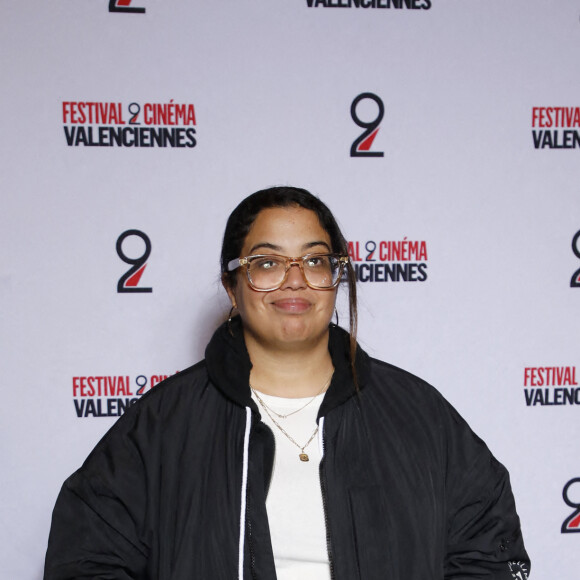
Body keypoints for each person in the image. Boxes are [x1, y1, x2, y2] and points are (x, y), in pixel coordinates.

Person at [44, 186, 531, 580]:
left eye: (315, 260)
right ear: (232, 285)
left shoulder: (417, 414)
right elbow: (86, 557)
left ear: (335, 279)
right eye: (268, 263)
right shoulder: (164, 423)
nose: (294, 280)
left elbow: (490, 549)